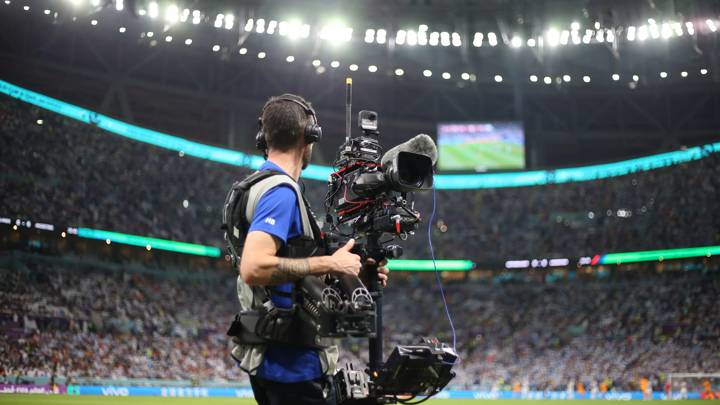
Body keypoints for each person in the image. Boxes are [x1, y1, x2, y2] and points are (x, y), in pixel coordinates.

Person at [228, 94, 389, 405]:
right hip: (291, 361)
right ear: (309, 137)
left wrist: (351, 272)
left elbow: (292, 270)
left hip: (273, 353)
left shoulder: (254, 186)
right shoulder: (280, 193)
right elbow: (255, 267)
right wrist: (330, 263)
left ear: (264, 137)